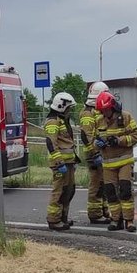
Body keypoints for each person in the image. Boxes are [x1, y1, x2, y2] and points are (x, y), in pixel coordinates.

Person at [94, 91, 137, 232]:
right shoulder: (99, 121)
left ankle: (129, 220)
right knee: (111, 192)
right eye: (102, 110)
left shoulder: (125, 117)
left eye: (106, 109)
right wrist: (98, 144)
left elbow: (135, 136)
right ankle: (116, 220)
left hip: (124, 160)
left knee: (125, 190)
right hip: (108, 163)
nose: (105, 113)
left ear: (113, 107)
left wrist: (118, 141)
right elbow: (94, 139)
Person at [44, 92, 79, 230]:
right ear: (61, 106)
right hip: (60, 164)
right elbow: (51, 143)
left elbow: (67, 142)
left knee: (69, 190)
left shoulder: (62, 120)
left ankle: (63, 217)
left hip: (68, 163)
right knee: (58, 191)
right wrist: (59, 162)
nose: (69, 110)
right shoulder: (53, 121)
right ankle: (53, 220)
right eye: (68, 108)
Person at [79, 81, 111, 224]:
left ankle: (103, 210)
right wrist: (94, 153)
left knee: (103, 183)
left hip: (100, 152)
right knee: (96, 184)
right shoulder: (87, 112)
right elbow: (86, 136)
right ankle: (94, 214)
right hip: (93, 154)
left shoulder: (97, 110)